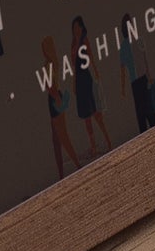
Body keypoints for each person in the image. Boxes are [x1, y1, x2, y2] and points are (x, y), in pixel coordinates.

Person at [71, 16, 111, 156]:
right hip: (80, 82)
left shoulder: (84, 41)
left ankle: (108, 141)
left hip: (87, 80)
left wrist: (96, 74)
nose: (76, 29)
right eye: (74, 27)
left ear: (81, 27)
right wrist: (74, 84)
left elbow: (91, 58)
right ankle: (93, 146)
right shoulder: (73, 44)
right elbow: (74, 67)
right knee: (86, 117)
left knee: (95, 114)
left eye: (77, 26)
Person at [43, 35, 79, 177]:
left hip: (54, 99)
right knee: (58, 138)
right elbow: (50, 85)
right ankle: (63, 172)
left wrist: (57, 99)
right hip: (55, 98)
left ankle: (74, 166)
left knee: (60, 137)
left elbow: (49, 86)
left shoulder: (50, 63)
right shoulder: (53, 62)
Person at [120, 22, 155, 133]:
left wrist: (123, 88)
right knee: (145, 109)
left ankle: (150, 131)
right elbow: (124, 68)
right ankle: (150, 130)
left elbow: (124, 69)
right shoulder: (131, 43)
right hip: (139, 80)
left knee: (144, 110)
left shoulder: (133, 42)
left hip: (138, 81)